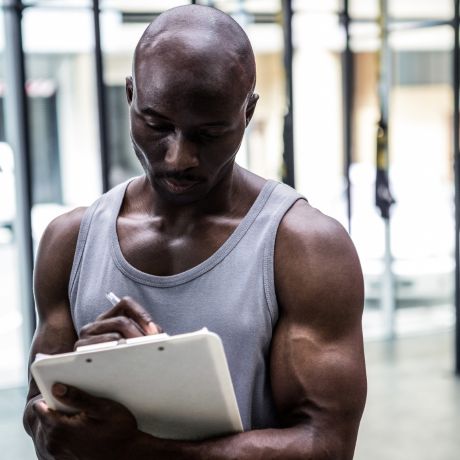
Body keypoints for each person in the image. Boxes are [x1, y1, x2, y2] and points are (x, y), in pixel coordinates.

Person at [24, 4, 367, 459]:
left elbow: (326, 443)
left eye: (208, 133)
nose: (178, 158)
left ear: (248, 112)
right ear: (130, 96)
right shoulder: (69, 242)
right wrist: (79, 388)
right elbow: (37, 415)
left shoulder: (306, 248)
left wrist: (138, 449)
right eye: (157, 125)